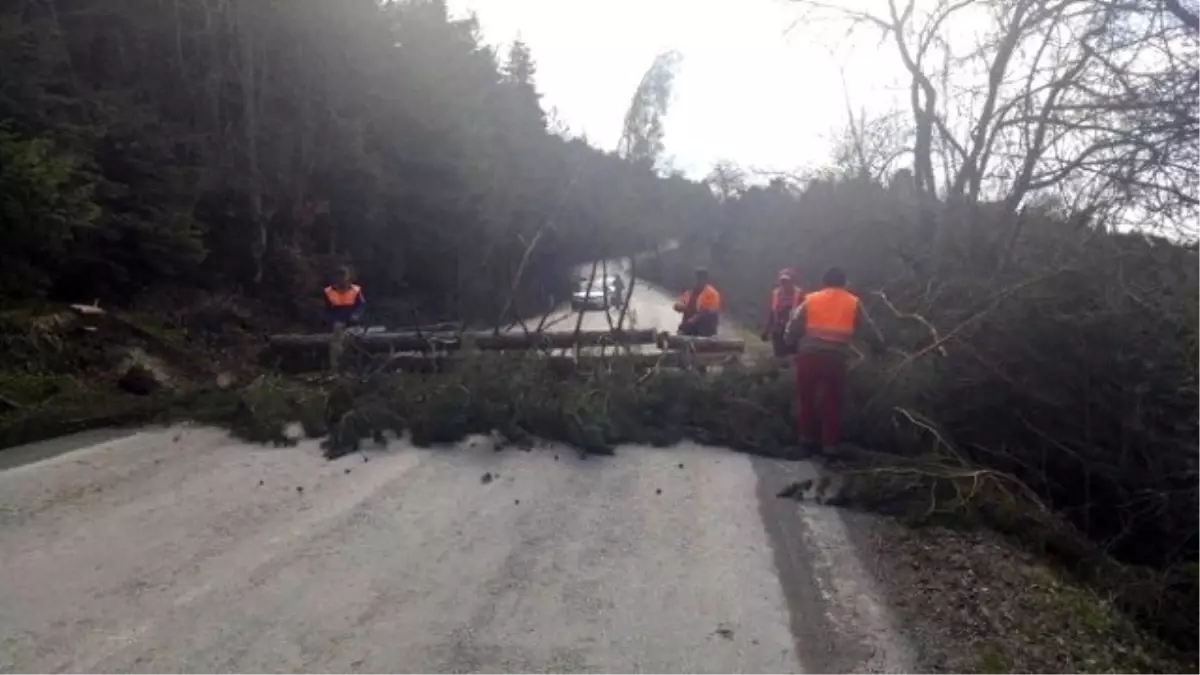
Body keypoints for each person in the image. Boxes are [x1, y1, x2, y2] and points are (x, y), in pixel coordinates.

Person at [783, 266, 884, 456]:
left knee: (806, 399)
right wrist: (879, 347)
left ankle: (806, 441)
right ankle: (830, 446)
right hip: (835, 359)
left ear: (824, 282)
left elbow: (794, 324)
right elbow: (868, 328)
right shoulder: (853, 302)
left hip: (809, 356)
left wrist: (789, 342)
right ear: (845, 283)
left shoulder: (811, 299)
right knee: (832, 402)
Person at [324, 267, 365, 371]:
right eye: (339, 277)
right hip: (338, 324)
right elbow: (328, 310)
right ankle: (336, 368)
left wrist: (356, 316)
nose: (342, 280)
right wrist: (332, 321)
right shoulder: (329, 291)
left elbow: (361, 307)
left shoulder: (355, 290)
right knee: (336, 345)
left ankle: (351, 368)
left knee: (351, 343)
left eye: (344, 277)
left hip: (353, 325)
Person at [761, 268, 805, 358]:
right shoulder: (775, 293)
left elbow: (804, 315)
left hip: (794, 332)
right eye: (782, 281)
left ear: (792, 281)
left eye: (787, 281)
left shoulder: (800, 295)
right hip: (778, 331)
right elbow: (771, 313)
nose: (784, 284)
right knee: (779, 358)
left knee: (793, 358)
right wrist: (766, 331)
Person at [673, 267, 721, 337]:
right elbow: (679, 303)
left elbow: (711, 311)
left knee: (707, 316)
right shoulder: (690, 293)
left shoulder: (712, 293)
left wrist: (694, 319)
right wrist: (679, 306)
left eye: (701, 278)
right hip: (690, 326)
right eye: (698, 278)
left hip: (705, 327)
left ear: (706, 279)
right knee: (683, 327)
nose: (699, 281)